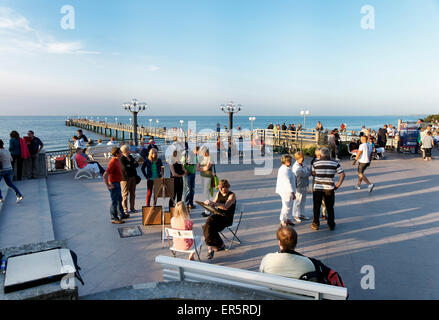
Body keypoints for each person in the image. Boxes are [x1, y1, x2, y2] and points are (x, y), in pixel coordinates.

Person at [310, 147, 345, 231]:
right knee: (330, 207)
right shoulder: (334, 163)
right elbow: (342, 174)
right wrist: (338, 185)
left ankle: (315, 224)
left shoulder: (315, 163)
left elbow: (313, 173)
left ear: (321, 154)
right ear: (329, 154)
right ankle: (331, 224)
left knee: (316, 206)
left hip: (318, 188)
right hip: (329, 188)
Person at [202, 179, 236, 259]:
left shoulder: (232, 195)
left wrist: (214, 203)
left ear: (227, 187)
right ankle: (217, 245)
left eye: (222, 188)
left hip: (226, 218)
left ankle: (214, 246)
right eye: (219, 188)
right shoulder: (219, 193)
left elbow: (226, 206)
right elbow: (213, 205)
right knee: (207, 225)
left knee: (207, 226)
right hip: (218, 216)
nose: (220, 190)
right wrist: (208, 204)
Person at [103, 147, 129, 224]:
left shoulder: (117, 160)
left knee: (119, 200)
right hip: (114, 184)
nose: (122, 153)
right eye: (121, 152)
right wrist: (108, 185)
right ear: (117, 154)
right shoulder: (113, 162)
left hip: (117, 183)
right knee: (114, 201)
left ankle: (121, 214)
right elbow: (105, 175)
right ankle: (114, 218)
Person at [275, 154, 296, 227]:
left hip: (288, 190)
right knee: (286, 206)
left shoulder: (287, 168)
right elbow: (287, 182)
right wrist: (292, 193)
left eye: (290, 160)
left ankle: (288, 219)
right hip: (286, 191)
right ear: (285, 161)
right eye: (289, 161)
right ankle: (283, 220)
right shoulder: (284, 170)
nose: (291, 162)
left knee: (290, 205)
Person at [0, 139, 23, 204]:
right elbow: (11, 159)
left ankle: (0, 198)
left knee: (9, 184)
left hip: (2, 171)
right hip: (9, 169)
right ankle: (19, 195)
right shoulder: (7, 151)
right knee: (10, 184)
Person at [120, 144, 139, 214]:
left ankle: (132, 208)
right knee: (125, 194)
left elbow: (137, 164)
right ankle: (125, 209)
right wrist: (132, 165)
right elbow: (124, 168)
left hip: (133, 177)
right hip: (125, 179)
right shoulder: (122, 158)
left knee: (133, 193)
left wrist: (130, 165)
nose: (130, 150)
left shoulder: (130, 157)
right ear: (125, 151)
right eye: (129, 149)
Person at [292, 152, 311, 222]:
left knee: (303, 200)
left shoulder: (304, 163)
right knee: (297, 201)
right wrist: (309, 172)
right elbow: (305, 174)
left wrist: (309, 172)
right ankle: (296, 215)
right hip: (298, 186)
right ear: (297, 159)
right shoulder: (296, 167)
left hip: (305, 184)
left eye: (303, 157)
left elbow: (308, 171)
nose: (303, 159)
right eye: (301, 158)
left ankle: (301, 214)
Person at [197, 147, 213, 217]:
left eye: (202, 151)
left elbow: (208, 167)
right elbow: (197, 168)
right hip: (202, 176)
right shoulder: (200, 157)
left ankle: (208, 211)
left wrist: (201, 168)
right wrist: (203, 168)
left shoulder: (211, 157)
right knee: (204, 193)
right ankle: (207, 209)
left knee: (207, 193)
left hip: (208, 177)